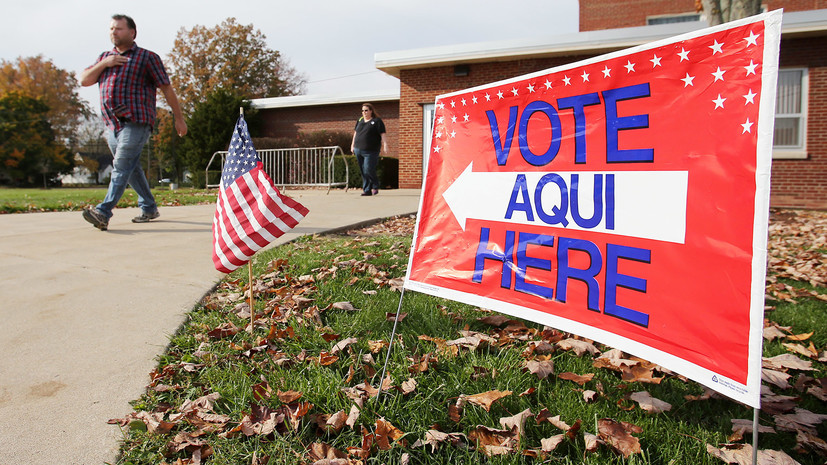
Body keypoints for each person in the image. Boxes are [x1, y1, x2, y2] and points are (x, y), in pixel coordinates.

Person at [79, 14, 187, 231]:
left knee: (121, 166)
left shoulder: (147, 58)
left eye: (118, 29)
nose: (113, 32)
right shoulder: (104, 58)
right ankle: (149, 207)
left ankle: (103, 212)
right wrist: (105, 63)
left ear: (132, 32)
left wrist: (179, 118)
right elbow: (84, 80)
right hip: (112, 125)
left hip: (136, 122)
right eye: (111, 29)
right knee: (131, 168)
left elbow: (166, 87)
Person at [350, 103, 388, 196]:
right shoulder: (360, 120)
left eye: (366, 110)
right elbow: (355, 133)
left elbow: (382, 134)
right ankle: (367, 190)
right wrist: (352, 145)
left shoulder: (377, 121)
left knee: (368, 169)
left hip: (371, 151)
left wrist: (385, 144)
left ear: (371, 111)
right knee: (363, 171)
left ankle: (375, 185)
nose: (364, 112)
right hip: (358, 149)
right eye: (362, 110)